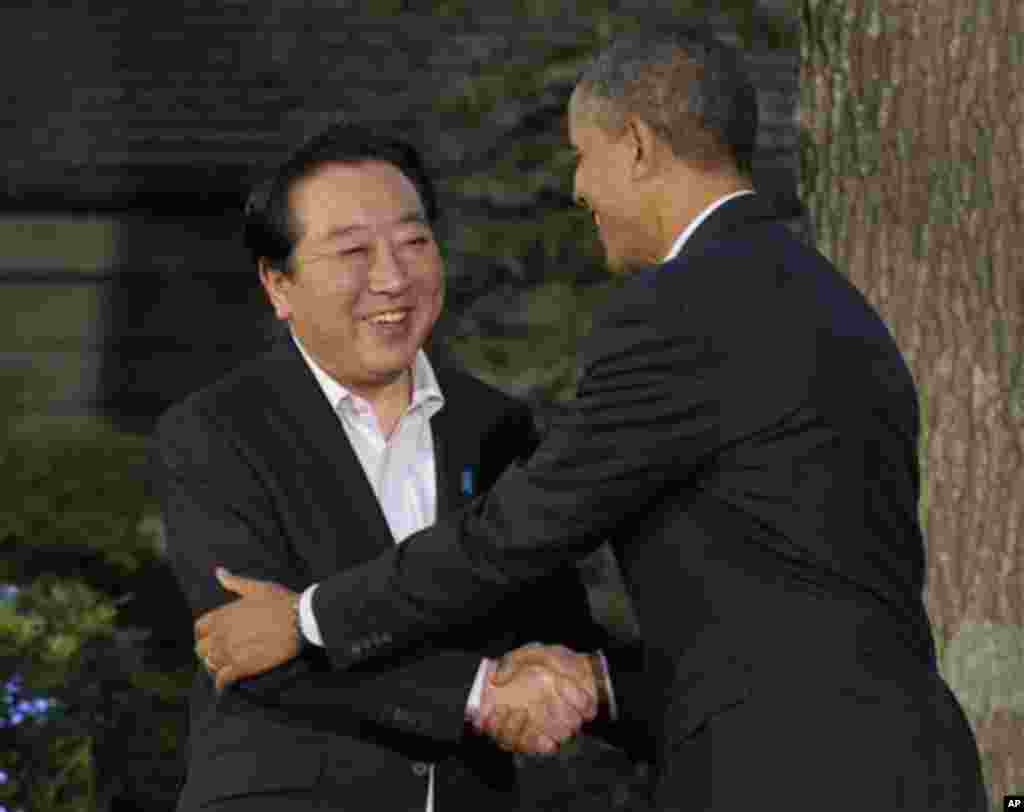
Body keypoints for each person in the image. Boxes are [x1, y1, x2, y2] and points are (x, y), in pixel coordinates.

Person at [194, 26, 989, 811]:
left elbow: (524, 527)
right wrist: (600, 683)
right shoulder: (833, 302)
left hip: (792, 770)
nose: (578, 187)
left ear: (637, 145)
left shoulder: (683, 308)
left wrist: (309, 617)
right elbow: (778, 579)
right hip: (911, 757)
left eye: (584, 153)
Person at [154, 123, 612, 812]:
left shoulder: (495, 425)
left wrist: (569, 676)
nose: (393, 277)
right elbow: (251, 655)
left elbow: (550, 620)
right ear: (279, 286)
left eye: (413, 242)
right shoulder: (215, 431)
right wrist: (478, 692)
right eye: (353, 252)